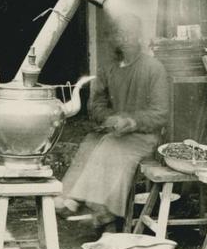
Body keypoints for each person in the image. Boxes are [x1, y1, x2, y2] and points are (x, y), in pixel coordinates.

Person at [55, 13, 169, 231]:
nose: (124, 39)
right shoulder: (108, 69)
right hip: (113, 132)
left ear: (138, 37)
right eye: (119, 34)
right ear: (114, 38)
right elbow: (96, 104)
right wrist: (108, 118)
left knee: (110, 147)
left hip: (144, 136)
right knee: (90, 143)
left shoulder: (154, 68)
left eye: (129, 33)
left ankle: (105, 215)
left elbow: (160, 113)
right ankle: (77, 201)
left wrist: (131, 121)